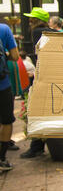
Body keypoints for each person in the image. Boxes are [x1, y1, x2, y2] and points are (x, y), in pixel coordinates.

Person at [20, 7, 60, 159]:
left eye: (31, 19)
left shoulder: (37, 33)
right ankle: (38, 145)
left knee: (37, 111)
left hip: (43, 79)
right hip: (54, 77)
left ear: (36, 21)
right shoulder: (54, 32)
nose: (29, 22)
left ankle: (36, 146)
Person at [0, 23, 19, 171]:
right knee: (6, 121)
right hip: (3, 85)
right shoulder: (4, 29)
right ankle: (2, 159)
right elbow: (15, 56)